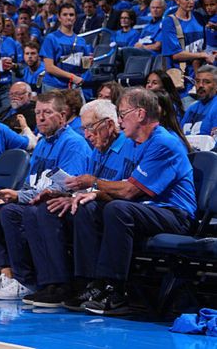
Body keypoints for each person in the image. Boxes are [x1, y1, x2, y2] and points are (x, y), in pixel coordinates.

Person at [70, 88, 196, 315]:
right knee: (87, 207)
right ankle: (92, 284)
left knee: (118, 209)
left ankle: (116, 291)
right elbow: (124, 188)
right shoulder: (135, 143)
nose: (119, 121)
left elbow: (129, 191)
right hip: (144, 209)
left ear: (140, 114)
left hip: (175, 214)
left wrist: (94, 183)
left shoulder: (164, 143)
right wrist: (95, 194)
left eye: (122, 114)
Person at [0, 91, 91, 301]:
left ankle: (25, 280)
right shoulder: (42, 143)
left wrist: (18, 197)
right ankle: (6, 275)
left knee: (11, 212)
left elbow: (64, 188)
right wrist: (10, 196)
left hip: (58, 204)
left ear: (62, 116)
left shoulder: (74, 143)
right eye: (37, 113)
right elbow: (30, 184)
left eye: (47, 112)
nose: (41, 118)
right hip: (33, 201)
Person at [17, 100, 136, 308]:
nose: (87, 135)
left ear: (109, 125)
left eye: (90, 128)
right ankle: (56, 283)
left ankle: (88, 282)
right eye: (84, 129)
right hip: (98, 204)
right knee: (48, 208)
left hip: (117, 208)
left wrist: (87, 193)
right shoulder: (98, 149)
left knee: (84, 209)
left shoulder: (130, 146)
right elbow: (87, 187)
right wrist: (64, 194)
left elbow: (127, 191)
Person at [40, 3, 92, 95]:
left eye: (71, 15)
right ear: (59, 18)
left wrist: (89, 63)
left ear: (75, 18)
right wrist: (72, 77)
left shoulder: (81, 41)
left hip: (73, 87)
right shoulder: (51, 38)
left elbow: (82, 68)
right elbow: (49, 67)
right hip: (54, 86)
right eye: (65, 15)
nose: (68, 17)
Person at [181, 65, 217, 136]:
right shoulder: (191, 108)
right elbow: (180, 135)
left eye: (207, 82)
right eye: (197, 81)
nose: (200, 85)